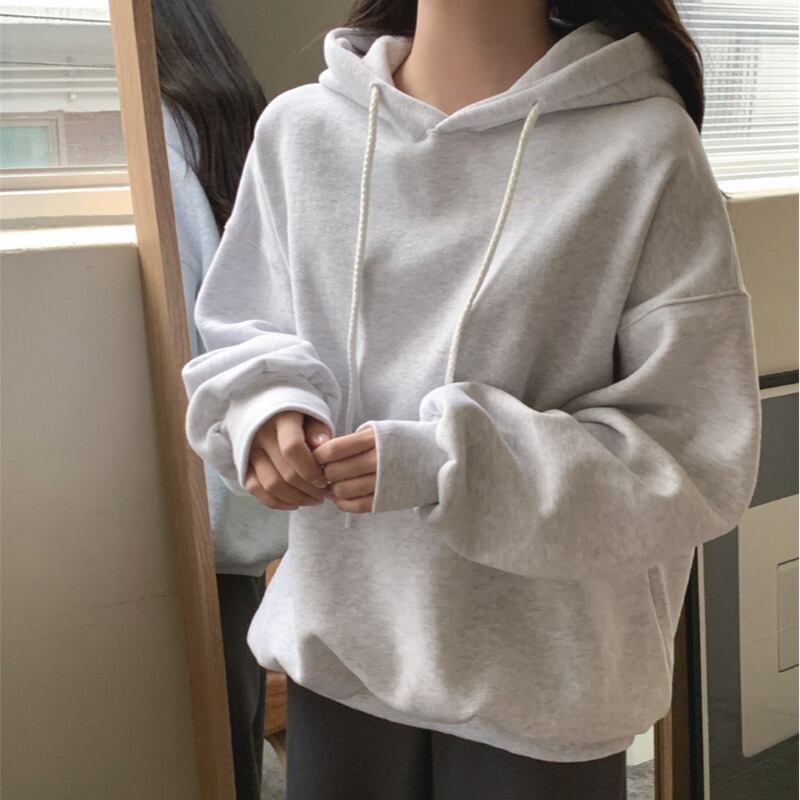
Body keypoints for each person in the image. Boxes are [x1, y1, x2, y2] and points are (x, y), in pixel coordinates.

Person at [181, 0, 763, 797]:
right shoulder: (301, 132)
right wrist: (265, 408)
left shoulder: (644, 149)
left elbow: (694, 456)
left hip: (547, 690)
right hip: (341, 661)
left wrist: (447, 461)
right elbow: (242, 330)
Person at [152, 2, 289, 797]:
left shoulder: (157, 139)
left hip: (191, 496)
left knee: (208, 729)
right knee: (230, 720)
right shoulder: (223, 122)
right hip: (232, 498)